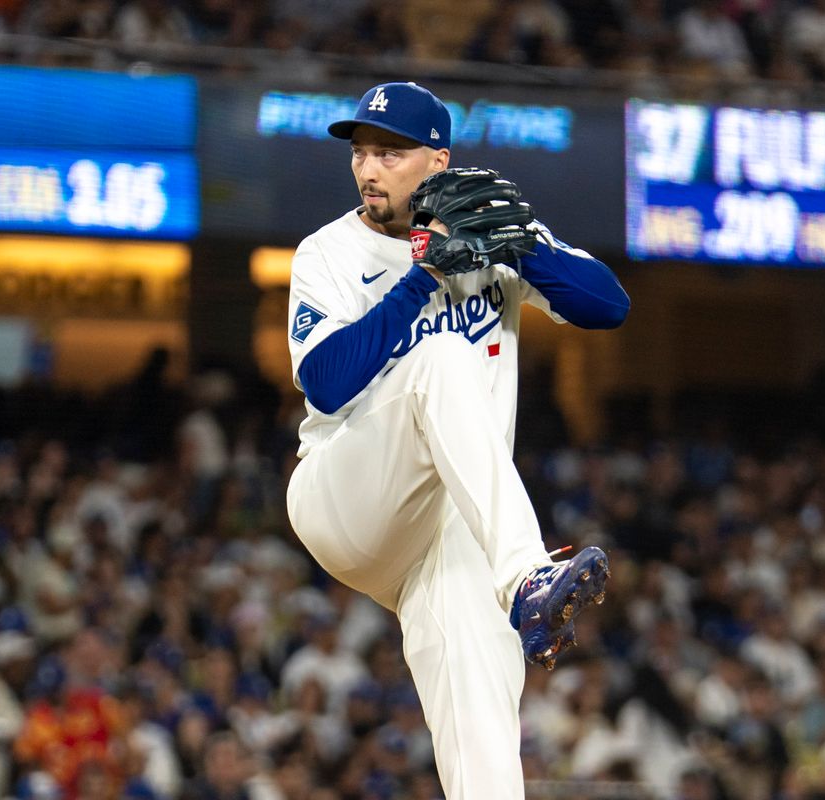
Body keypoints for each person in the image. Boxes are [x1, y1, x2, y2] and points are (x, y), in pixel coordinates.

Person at [283, 81, 629, 799]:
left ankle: (525, 584)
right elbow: (326, 382)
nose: (368, 168)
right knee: (441, 358)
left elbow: (608, 306)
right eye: (362, 152)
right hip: (347, 496)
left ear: (436, 162)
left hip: (447, 532)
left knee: (483, 723)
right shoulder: (327, 252)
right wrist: (423, 277)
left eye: (390, 153)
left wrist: (525, 252)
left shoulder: (490, 230)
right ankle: (528, 573)